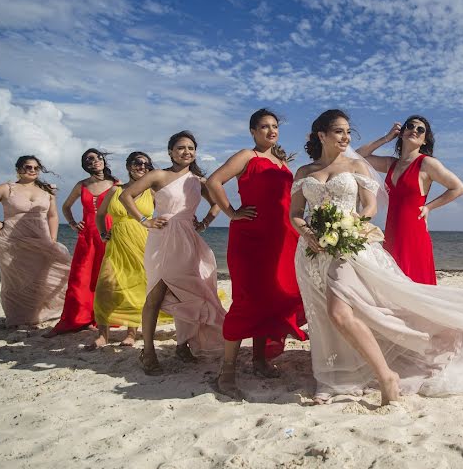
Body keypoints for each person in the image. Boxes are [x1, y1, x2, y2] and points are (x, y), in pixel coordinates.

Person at [290, 110, 463, 406]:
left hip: (359, 240)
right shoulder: (309, 172)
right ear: (321, 135)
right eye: (339, 132)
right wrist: (308, 233)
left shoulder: (397, 164)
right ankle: (339, 372)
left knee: (360, 306)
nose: (346, 138)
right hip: (319, 249)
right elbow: (295, 213)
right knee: (337, 311)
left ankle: (394, 369)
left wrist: (426, 208)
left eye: (348, 132)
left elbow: (372, 205)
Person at [205, 109, 307, 397]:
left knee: (273, 296)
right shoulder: (246, 156)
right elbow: (214, 182)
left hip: (282, 239)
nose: (271, 131)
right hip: (250, 237)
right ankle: (226, 371)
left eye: (275, 126)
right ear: (253, 131)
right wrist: (231, 213)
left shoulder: (281, 162)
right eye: (264, 127)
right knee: (247, 300)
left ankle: (259, 359)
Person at [120, 131, 225, 375]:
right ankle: (148, 350)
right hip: (163, 238)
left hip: (188, 238)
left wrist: (206, 222)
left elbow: (217, 202)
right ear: (170, 151)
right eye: (180, 148)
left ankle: (182, 345)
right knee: (157, 292)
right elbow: (126, 195)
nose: (186, 152)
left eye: (190, 148)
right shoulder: (158, 175)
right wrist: (145, 220)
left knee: (188, 291)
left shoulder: (198, 181)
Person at [356, 116, 463, 284]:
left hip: (414, 232)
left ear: (424, 141)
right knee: (394, 285)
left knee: (415, 283)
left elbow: (458, 188)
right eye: (410, 126)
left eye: (420, 129)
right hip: (392, 233)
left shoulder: (427, 163)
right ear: (402, 132)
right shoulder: (390, 164)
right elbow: (357, 157)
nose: (414, 130)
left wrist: (429, 207)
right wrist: (386, 138)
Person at [0, 156, 71, 327]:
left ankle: (42, 312)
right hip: (12, 241)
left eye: (36, 168)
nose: (32, 170)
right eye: (27, 167)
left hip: (41, 239)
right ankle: (18, 318)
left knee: (49, 274)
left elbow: (52, 215)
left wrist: (52, 239)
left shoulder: (47, 191)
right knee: (16, 281)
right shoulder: (7, 188)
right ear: (18, 170)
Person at [90, 152, 170, 348]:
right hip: (117, 244)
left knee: (137, 287)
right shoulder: (114, 191)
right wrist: (103, 233)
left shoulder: (151, 192)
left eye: (146, 164)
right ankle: (103, 334)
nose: (141, 166)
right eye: (137, 162)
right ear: (128, 166)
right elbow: (100, 215)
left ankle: (131, 333)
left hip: (142, 242)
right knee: (105, 287)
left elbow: (170, 209)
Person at [45, 149, 117, 337]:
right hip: (87, 237)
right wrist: (73, 224)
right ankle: (77, 319)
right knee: (80, 278)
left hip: (109, 234)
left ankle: (102, 317)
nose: (95, 161)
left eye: (98, 157)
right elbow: (66, 206)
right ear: (85, 165)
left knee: (106, 278)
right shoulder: (81, 185)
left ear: (103, 160)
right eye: (89, 159)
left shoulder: (116, 183)